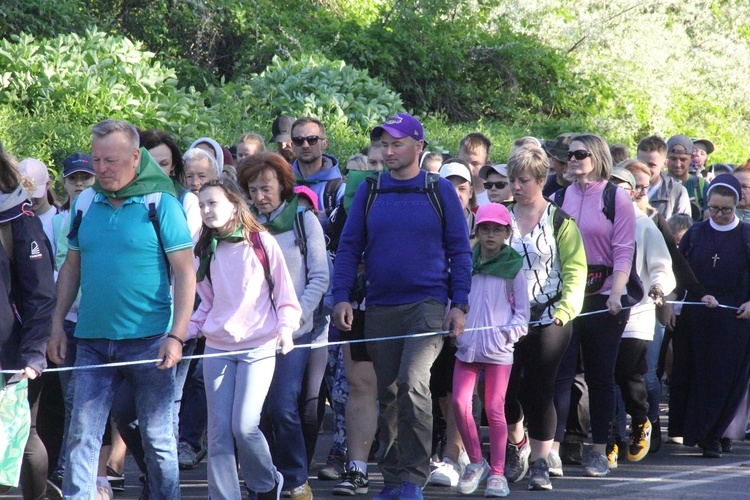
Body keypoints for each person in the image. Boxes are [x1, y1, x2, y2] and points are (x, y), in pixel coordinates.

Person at [47, 119, 196, 498]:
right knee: (81, 435)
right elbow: (72, 268)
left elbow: (185, 272)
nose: (101, 170)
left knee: (159, 439)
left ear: (135, 157)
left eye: (110, 161)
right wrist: (56, 324)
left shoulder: (161, 202)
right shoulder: (84, 202)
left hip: (150, 341)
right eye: (96, 160)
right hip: (92, 339)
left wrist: (177, 335)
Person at [333, 113, 472, 500]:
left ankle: (413, 479)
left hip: (427, 304)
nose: (389, 151)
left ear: (419, 147)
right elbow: (348, 247)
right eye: (384, 144)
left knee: (414, 383)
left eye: (397, 143)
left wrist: (459, 304)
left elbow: (461, 251)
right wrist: (341, 296)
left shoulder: (438, 189)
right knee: (389, 393)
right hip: (379, 305)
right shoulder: (370, 189)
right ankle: (392, 480)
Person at [188, 178, 301, 499]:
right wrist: (180, 334)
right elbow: (205, 304)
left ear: (234, 205)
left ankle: (266, 483)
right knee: (219, 434)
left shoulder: (262, 243)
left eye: (213, 203)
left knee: (244, 426)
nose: (207, 210)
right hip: (217, 349)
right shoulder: (204, 247)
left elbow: (285, 296)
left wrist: (286, 328)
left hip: (259, 347)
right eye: (202, 205)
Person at [240, 152, 329, 500]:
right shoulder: (246, 225)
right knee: (254, 412)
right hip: (256, 332)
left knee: (283, 406)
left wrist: (294, 319)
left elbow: (320, 276)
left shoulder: (304, 219)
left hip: (298, 330)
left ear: (282, 185)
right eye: (253, 189)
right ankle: (263, 480)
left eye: (267, 187)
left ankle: (295, 479)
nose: (261, 196)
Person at [502, 147, 586, 491]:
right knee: (503, 392)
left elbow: (575, 271)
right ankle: (517, 440)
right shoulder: (499, 216)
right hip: (504, 319)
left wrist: (565, 312)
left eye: (523, 180)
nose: (516, 187)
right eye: (512, 180)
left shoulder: (560, 221)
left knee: (541, 389)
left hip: (550, 319)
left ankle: (539, 462)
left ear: (540, 180)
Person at [552, 133, 637, 478]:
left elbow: (623, 250)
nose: (572, 160)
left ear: (597, 156)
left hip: (605, 296)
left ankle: (600, 450)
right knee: (561, 374)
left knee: (602, 375)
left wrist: (616, 293)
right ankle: (552, 449)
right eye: (569, 155)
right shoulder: (557, 197)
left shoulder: (616, 198)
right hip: (567, 296)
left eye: (580, 154)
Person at [451, 202, 529, 497]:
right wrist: (454, 325)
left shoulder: (513, 267)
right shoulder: (465, 263)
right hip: (467, 346)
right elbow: (455, 299)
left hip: (498, 350)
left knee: (495, 408)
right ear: (477, 231)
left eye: (497, 229)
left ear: (507, 232)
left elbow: (523, 314)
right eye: (485, 229)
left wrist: (507, 333)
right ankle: (476, 462)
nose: (490, 235)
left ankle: (497, 473)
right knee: (460, 403)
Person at [671, 174, 750, 457]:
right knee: (700, 376)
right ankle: (706, 435)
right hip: (699, 315)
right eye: (714, 209)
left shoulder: (746, 234)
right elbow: (680, 271)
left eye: (726, 210)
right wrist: (676, 301)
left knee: (727, 378)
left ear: (736, 205)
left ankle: (721, 431)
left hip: (735, 318)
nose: (720, 214)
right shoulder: (696, 233)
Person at [0, 141, 56, 500]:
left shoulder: (19, 219)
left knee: (22, 438)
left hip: (11, 351)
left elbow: (40, 293)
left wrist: (34, 353)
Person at [608, 167, 675, 466]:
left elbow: (663, 266)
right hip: (602, 311)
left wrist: (659, 287)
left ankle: (640, 421)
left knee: (628, 374)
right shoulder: (597, 222)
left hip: (637, 314)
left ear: (634, 192)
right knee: (603, 378)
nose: (616, 193)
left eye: (623, 187)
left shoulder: (645, 226)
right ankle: (609, 439)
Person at [330, 142, 384, 497]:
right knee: (360, 386)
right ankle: (357, 468)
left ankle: (404, 472)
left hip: (407, 305)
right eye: (375, 161)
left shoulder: (424, 193)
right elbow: (343, 251)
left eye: (385, 160)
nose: (379, 168)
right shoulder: (351, 201)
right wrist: (342, 297)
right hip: (361, 303)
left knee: (406, 389)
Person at [46, 153, 96, 494]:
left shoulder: (101, 214)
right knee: (70, 399)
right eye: (73, 178)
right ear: (62, 182)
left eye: (85, 177)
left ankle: (83, 470)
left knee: (87, 400)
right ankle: (66, 467)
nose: (79, 183)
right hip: (67, 321)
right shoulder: (58, 221)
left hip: (96, 322)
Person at [427, 159, 476, 488]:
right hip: (431, 315)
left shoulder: (488, 225)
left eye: (462, 187)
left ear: (471, 192)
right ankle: (443, 450)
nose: (455, 194)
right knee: (439, 390)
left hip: (473, 320)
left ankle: (455, 451)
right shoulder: (429, 221)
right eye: (449, 187)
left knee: (462, 391)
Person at [140, 129, 202, 241]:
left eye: (164, 164)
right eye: (150, 163)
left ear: (173, 165)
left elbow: (190, 249)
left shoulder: (186, 200)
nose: (157, 170)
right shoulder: (122, 196)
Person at [290, 117, 344, 227]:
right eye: (299, 141)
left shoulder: (338, 189)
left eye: (312, 139)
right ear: (292, 146)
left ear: (324, 143)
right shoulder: (282, 182)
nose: (305, 145)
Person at [637, 135, 691, 220]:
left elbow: (682, 229)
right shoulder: (626, 189)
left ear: (664, 164)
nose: (645, 169)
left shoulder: (677, 192)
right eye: (641, 163)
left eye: (651, 165)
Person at [18, 158, 58, 251]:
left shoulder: (62, 219)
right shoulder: (16, 223)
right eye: (27, 195)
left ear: (47, 185)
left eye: (36, 194)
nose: (31, 199)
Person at [665, 134, 707, 219]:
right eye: (673, 159)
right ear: (665, 157)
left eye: (683, 159)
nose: (677, 164)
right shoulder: (657, 184)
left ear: (691, 158)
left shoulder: (702, 186)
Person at [457, 132, 492, 206]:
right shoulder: (449, 192)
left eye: (475, 163)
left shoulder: (493, 197)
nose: (468, 167)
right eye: (463, 162)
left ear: (487, 164)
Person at [542, 133, 573, 197]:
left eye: (571, 163)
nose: (566, 169)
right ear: (553, 159)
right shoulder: (542, 186)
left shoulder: (589, 190)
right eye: (562, 163)